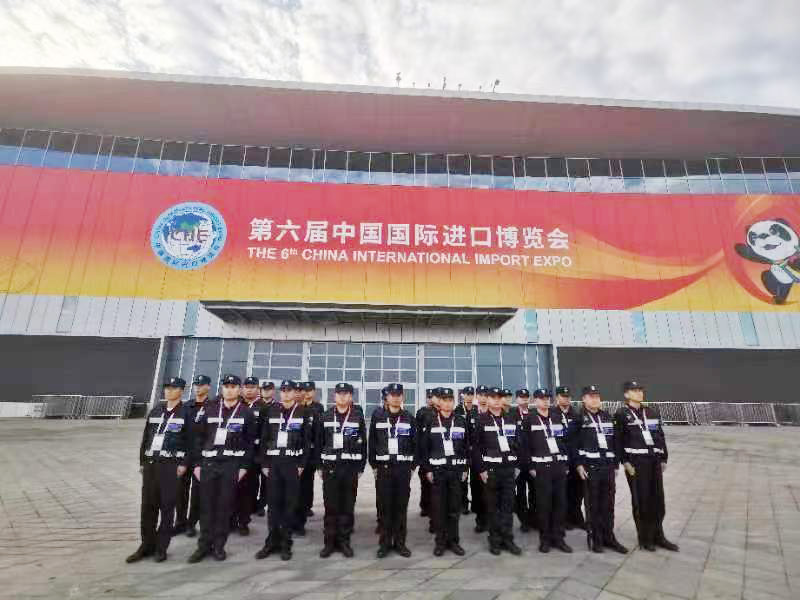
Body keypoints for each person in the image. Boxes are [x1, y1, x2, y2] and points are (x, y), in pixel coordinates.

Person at [188, 375, 257, 563]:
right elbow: (198, 439)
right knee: (206, 507)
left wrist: (244, 467)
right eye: (226, 386)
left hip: (231, 465)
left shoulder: (246, 413)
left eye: (234, 386)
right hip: (208, 465)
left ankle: (219, 546)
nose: (230, 389)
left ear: (239, 390)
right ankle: (203, 546)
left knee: (224, 508)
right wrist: (196, 464)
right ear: (222, 389)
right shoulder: (209, 409)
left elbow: (250, 443)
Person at [126, 377, 192, 563]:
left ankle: (161, 547)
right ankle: (146, 545)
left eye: (173, 388)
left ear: (181, 391)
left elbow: (191, 442)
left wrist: (184, 464)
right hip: (151, 465)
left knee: (167, 508)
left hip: (171, 466)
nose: (169, 391)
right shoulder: (156, 410)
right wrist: (142, 461)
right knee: (148, 507)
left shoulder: (186, 413)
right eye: (167, 388)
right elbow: (146, 437)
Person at [614, 381, 679, 552]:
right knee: (642, 501)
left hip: (654, 462)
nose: (639, 393)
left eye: (640, 390)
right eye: (634, 390)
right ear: (626, 394)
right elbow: (618, 440)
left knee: (658, 501)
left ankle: (659, 535)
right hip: (636, 464)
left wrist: (664, 457)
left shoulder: (651, 412)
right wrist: (625, 462)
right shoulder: (621, 414)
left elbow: (660, 436)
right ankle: (645, 538)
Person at [255, 380, 311, 561]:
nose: (286, 393)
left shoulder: (303, 412)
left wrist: (301, 464)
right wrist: (264, 463)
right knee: (273, 505)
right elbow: (264, 438)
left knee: (289, 504)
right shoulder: (271, 410)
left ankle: (286, 543)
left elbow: (307, 441)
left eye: (290, 390)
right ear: (280, 393)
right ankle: (271, 542)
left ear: (295, 393)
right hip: (274, 464)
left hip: (292, 464)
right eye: (284, 390)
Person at [574, 385, 628, 554]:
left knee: (608, 504)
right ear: (584, 399)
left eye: (597, 396)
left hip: (607, 467)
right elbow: (571, 443)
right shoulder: (578, 418)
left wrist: (615, 464)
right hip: (590, 468)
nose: (595, 399)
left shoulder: (607, 417)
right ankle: (596, 538)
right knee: (593, 505)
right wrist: (578, 464)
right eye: (591, 396)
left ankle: (609, 537)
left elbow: (614, 441)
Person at [520, 388, 572, 553]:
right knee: (544, 505)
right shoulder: (529, 419)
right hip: (541, 468)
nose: (545, 401)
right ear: (535, 401)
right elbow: (524, 445)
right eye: (542, 398)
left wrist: (566, 463)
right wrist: (531, 467)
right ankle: (545, 539)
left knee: (560, 504)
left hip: (558, 467)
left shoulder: (557, 417)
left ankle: (559, 538)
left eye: (547, 398)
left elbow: (564, 441)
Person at [319, 383, 367, 558]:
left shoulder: (357, 417)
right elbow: (319, 442)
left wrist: (360, 467)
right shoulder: (325, 416)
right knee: (330, 507)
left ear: (351, 397)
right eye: (339, 393)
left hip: (349, 468)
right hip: (330, 468)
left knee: (347, 506)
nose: (342, 397)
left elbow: (363, 443)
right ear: (334, 396)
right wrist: (319, 466)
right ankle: (329, 543)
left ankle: (344, 542)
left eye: (346, 394)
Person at [368, 383, 416, 558]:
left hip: (402, 470)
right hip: (384, 469)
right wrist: (374, 466)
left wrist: (412, 467)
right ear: (387, 397)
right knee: (385, 508)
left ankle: (400, 543)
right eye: (392, 395)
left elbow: (415, 444)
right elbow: (372, 442)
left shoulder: (409, 418)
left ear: (403, 397)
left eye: (399, 395)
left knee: (401, 508)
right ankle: (385, 544)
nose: (396, 398)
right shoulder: (378, 417)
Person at [419, 387, 469, 556]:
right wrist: (427, 470)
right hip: (438, 472)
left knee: (454, 509)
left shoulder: (461, 421)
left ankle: (453, 541)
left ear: (453, 402)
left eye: (450, 400)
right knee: (439, 509)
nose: (447, 403)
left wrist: (465, 468)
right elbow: (424, 448)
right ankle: (440, 542)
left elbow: (466, 447)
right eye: (444, 400)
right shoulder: (430, 421)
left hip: (455, 471)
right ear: (439, 402)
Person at [472, 387, 522, 555]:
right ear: (487, 400)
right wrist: (481, 469)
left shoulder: (511, 418)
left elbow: (519, 443)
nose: (496, 400)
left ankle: (508, 539)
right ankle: (494, 540)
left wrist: (517, 465)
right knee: (493, 507)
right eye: (492, 397)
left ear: (503, 400)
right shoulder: (481, 420)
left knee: (508, 506)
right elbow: (475, 447)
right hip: (491, 470)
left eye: (499, 397)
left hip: (508, 469)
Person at [174, 374, 211, 538]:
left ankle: (191, 524)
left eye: (201, 384)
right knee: (180, 491)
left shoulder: (213, 407)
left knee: (198, 492)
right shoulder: (186, 406)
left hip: (201, 457)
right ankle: (180, 522)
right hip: (184, 456)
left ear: (208, 387)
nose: (198, 387)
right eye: (196, 384)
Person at [232, 376, 267, 536]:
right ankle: (230, 519)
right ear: (242, 389)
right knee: (231, 489)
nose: (249, 390)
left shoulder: (264, 407)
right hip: (233, 454)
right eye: (246, 387)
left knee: (248, 491)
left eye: (253, 387)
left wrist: (261, 457)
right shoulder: (236, 404)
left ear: (257, 389)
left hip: (253, 456)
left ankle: (243, 522)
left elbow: (267, 433)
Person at [294, 381, 323, 536]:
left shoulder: (317, 409)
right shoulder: (292, 408)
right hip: (292, 454)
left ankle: (302, 516)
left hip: (309, 454)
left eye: (308, 390)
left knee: (305, 486)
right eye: (302, 390)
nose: (305, 393)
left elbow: (318, 434)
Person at [553, 385, 584, 530]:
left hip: (576, 457)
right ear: (557, 398)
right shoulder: (552, 414)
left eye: (568, 397)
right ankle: (564, 518)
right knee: (562, 491)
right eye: (563, 396)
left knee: (578, 490)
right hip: (561, 457)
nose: (566, 399)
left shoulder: (576, 413)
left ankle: (577, 517)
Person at [509, 388, 535, 532]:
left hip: (532, 461)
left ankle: (533, 518)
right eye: (521, 397)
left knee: (534, 491)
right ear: (517, 399)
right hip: (518, 462)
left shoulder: (534, 414)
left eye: (526, 397)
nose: (524, 399)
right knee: (520, 492)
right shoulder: (511, 415)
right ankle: (524, 520)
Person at [471, 384, 490, 533]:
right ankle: (480, 520)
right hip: (475, 458)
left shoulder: (493, 413)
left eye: (485, 395)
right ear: (477, 396)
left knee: (490, 490)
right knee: (477, 490)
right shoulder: (471, 414)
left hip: (491, 458)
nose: (483, 397)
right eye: (481, 395)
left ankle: (491, 519)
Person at [255, 380, 275, 516]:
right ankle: (252, 503)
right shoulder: (255, 405)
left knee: (266, 479)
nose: (266, 391)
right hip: (254, 447)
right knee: (252, 479)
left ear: (273, 391)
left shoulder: (278, 407)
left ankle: (262, 504)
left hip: (268, 448)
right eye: (264, 389)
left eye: (269, 389)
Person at [454, 386, 475, 515]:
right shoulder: (457, 410)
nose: (469, 396)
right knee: (462, 477)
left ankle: (476, 503)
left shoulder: (476, 410)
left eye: (471, 394)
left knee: (476, 478)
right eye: (467, 394)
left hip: (475, 449)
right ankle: (463, 504)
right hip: (463, 448)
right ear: (463, 395)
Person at [416, 389, 436, 519]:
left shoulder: (439, 411)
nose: (430, 399)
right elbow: (417, 432)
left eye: (432, 397)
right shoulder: (421, 412)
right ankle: (424, 507)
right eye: (429, 397)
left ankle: (435, 507)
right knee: (425, 482)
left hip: (436, 451)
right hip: (424, 451)